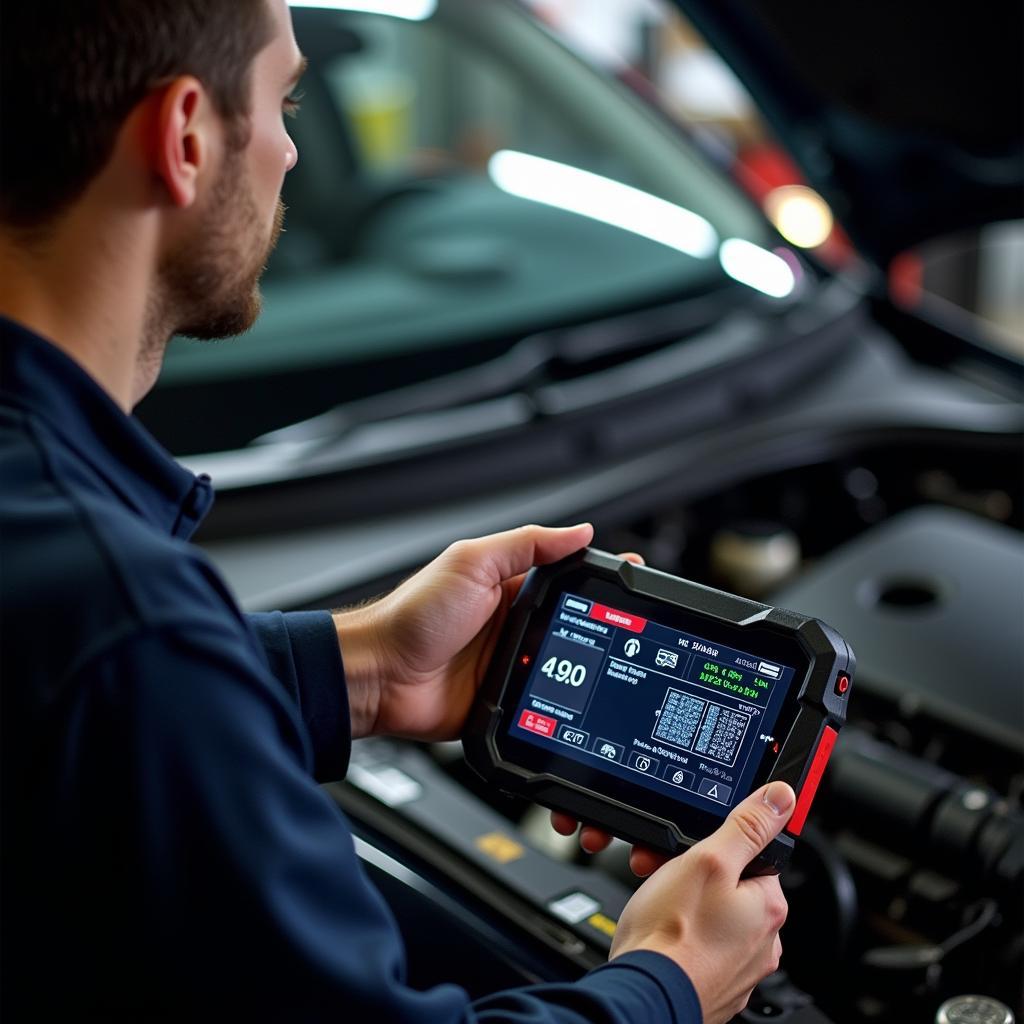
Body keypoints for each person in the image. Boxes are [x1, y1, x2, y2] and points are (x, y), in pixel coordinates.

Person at [0, 2, 791, 1020]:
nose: (292, 148)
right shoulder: (121, 614)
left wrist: (363, 663)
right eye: (285, 100)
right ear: (185, 137)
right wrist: (669, 979)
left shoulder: (74, 579)